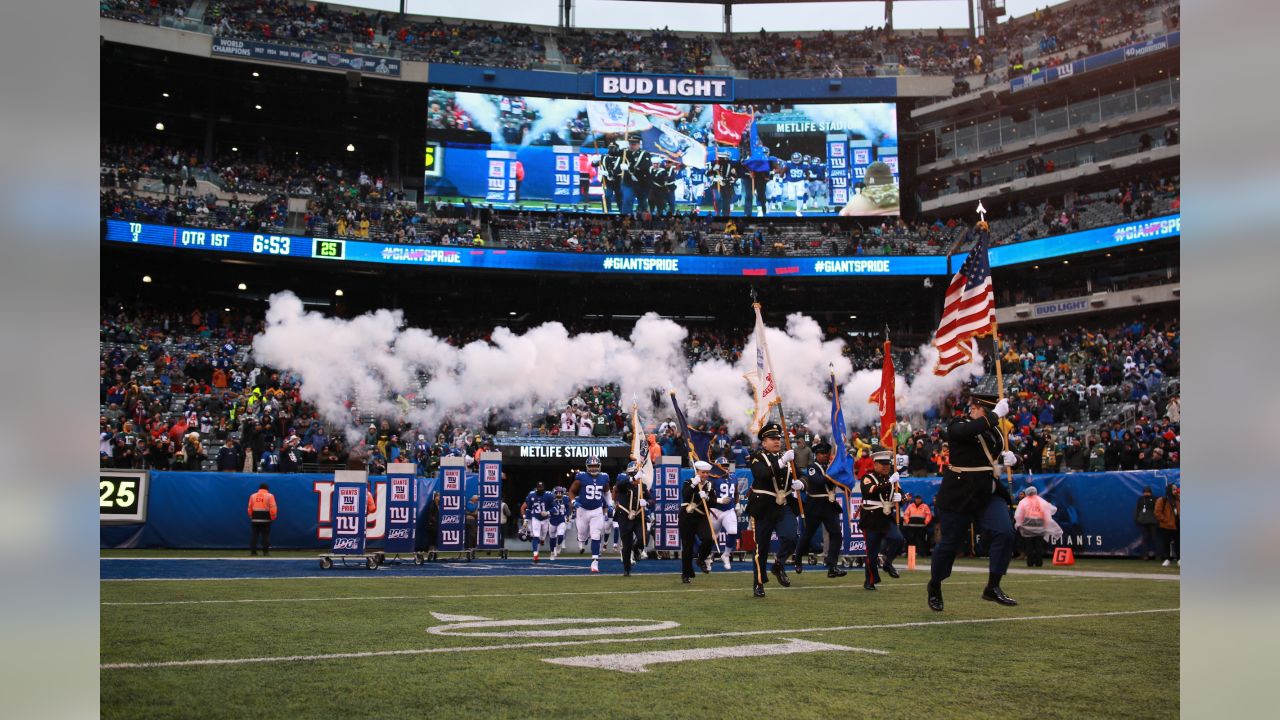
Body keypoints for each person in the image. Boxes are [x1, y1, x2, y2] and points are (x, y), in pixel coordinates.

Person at [927, 393, 1020, 612]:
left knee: (1005, 532)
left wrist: (1013, 458)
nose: (973, 410)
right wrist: (996, 414)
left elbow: (993, 457)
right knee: (949, 545)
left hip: (987, 492)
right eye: (977, 408)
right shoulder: (958, 424)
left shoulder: (996, 432)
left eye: (979, 408)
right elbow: (967, 432)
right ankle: (935, 585)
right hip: (959, 494)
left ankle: (993, 586)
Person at [746, 422, 804, 598]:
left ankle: (778, 564)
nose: (777, 441)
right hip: (763, 507)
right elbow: (762, 474)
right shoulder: (757, 457)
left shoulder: (787, 457)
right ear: (764, 442)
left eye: (778, 438)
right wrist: (782, 461)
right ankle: (759, 583)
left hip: (783, 505)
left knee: (791, 537)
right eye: (772, 439)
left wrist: (802, 483)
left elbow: (801, 474)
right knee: (761, 548)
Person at [795, 441, 848, 578]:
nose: (825, 456)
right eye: (822, 454)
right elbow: (817, 481)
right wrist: (834, 476)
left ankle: (832, 565)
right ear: (816, 455)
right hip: (815, 505)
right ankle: (798, 558)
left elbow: (843, 483)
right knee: (808, 534)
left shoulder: (832, 467)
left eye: (826, 454)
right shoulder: (813, 467)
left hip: (829, 505)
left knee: (836, 534)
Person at [859, 451, 901, 590]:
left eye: (887, 464)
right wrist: (890, 482)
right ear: (875, 464)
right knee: (871, 554)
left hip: (886, 517)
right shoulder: (867, 477)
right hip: (871, 518)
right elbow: (870, 491)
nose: (885, 467)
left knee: (898, 539)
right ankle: (870, 581)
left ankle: (888, 563)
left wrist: (901, 498)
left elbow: (902, 494)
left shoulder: (892, 479)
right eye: (882, 464)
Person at [680, 461, 722, 583]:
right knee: (688, 546)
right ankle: (686, 574)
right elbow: (686, 495)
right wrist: (695, 483)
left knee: (709, 538)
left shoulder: (709, 485)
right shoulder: (689, 482)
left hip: (702, 517)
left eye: (707, 473)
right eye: (703, 472)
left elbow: (713, 502)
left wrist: (707, 498)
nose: (705, 475)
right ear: (697, 472)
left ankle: (701, 559)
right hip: (687, 516)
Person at [569, 456, 612, 573]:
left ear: (599, 466)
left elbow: (607, 493)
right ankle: (582, 538)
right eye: (591, 466)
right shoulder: (581, 477)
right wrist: (573, 501)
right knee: (582, 534)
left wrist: (610, 504)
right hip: (582, 510)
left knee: (596, 535)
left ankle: (595, 561)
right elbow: (572, 491)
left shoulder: (604, 477)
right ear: (587, 467)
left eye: (595, 466)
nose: (593, 469)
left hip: (597, 510)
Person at [613, 461, 651, 576]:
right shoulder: (624, 484)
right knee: (626, 544)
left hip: (638, 516)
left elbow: (651, 499)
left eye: (636, 473)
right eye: (632, 474)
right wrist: (632, 478)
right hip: (624, 516)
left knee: (643, 538)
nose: (635, 477)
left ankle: (636, 548)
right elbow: (619, 486)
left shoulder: (642, 486)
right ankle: (627, 569)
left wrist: (647, 503)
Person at [1014, 486, 1062, 567]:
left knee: (1029, 545)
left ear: (1027, 492)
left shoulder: (1023, 502)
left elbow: (1018, 515)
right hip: (1040, 525)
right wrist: (1046, 525)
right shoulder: (1041, 501)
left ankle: (1030, 562)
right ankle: (1039, 562)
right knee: (1038, 545)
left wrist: (1018, 524)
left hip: (1027, 527)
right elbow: (1047, 513)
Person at [708, 457, 740, 570]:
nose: (725, 467)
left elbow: (736, 493)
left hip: (729, 509)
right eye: (722, 465)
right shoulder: (712, 478)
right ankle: (708, 555)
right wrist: (718, 500)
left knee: (733, 531)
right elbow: (708, 496)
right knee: (712, 536)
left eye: (726, 465)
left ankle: (726, 555)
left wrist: (737, 504)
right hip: (716, 510)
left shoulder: (734, 477)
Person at [620, 134, 652, 216]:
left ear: (639, 144)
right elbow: (613, 154)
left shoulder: (645, 154)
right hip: (628, 182)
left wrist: (630, 168)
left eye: (634, 144)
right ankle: (626, 217)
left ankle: (644, 219)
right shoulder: (624, 153)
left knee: (642, 202)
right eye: (630, 144)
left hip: (641, 182)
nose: (632, 146)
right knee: (627, 199)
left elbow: (645, 166)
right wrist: (619, 147)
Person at [521, 481, 551, 563]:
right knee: (535, 536)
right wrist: (526, 519)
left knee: (543, 535)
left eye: (541, 487)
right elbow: (527, 508)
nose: (540, 489)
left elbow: (554, 507)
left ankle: (542, 539)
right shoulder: (531, 495)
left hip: (545, 519)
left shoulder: (548, 496)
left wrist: (548, 512)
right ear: (536, 488)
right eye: (539, 488)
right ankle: (535, 555)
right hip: (535, 518)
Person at [247, 482, 277, 556]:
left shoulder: (253, 496)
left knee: (254, 535)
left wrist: (251, 516)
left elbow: (249, 507)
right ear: (267, 489)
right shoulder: (270, 496)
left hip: (255, 518)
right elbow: (273, 507)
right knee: (265, 536)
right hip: (266, 518)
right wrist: (273, 517)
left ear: (259, 489)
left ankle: (253, 552)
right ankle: (265, 552)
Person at [1155, 484, 1180, 566]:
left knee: (1178, 543)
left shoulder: (1178, 499)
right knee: (1166, 543)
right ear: (1169, 490)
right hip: (1166, 526)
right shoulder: (1162, 500)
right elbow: (1157, 513)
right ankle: (1167, 559)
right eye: (1173, 489)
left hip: (1177, 525)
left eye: (1176, 489)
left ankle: (1179, 559)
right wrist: (1166, 521)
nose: (1175, 491)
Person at [1134, 485, 1160, 560]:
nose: (1146, 493)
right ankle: (1145, 555)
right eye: (1145, 492)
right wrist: (1137, 519)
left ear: (1150, 492)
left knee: (1155, 538)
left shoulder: (1155, 499)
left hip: (1153, 522)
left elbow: (1158, 510)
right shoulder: (1140, 499)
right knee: (1145, 539)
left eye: (1147, 492)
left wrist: (1158, 520)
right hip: (1143, 522)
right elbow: (1137, 510)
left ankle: (1158, 555)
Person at [547, 485, 569, 560]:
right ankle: (552, 553)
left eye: (561, 493)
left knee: (560, 535)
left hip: (561, 520)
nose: (559, 494)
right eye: (557, 493)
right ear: (554, 493)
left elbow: (568, 507)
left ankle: (559, 545)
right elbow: (548, 509)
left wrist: (567, 515)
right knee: (552, 538)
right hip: (552, 520)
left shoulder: (565, 499)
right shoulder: (551, 500)